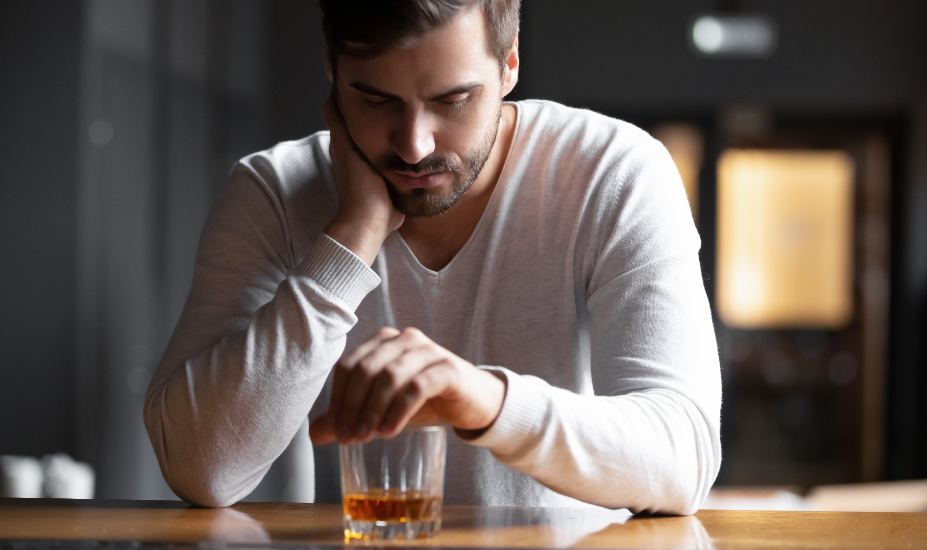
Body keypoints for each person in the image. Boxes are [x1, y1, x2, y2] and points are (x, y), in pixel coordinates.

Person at [144, 0, 721, 515]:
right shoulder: (274, 192)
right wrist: (348, 242)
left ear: (510, 64)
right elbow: (202, 470)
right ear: (332, 70)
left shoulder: (612, 172)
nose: (413, 144)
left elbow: (684, 456)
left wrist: (482, 401)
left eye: (453, 100)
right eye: (374, 100)